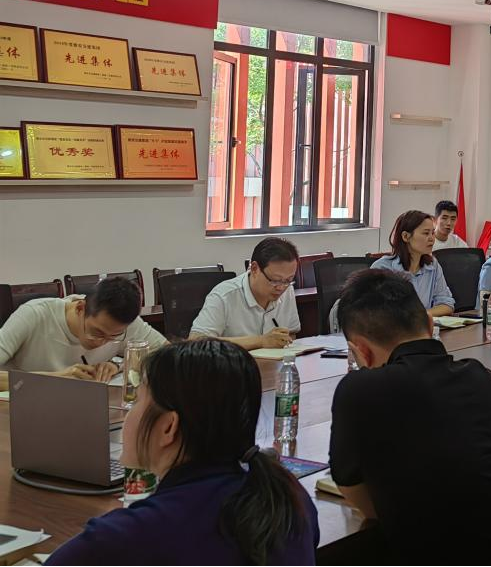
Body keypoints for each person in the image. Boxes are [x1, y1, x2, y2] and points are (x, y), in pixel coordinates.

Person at [329, 270, 491, 565]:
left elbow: (369, 508)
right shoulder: (482, 378)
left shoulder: (358, 391)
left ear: (361, 352)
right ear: (430, 323)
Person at [46, 339, 319, 565]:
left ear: (168, 427)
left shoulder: (123, 538)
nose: (129, 414)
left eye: (137, 400)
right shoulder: (288, 497)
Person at [0, 277, 164, 391]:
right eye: (96, 333)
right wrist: (57, 378)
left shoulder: (123, 322)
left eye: (113, 337)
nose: (101, 343)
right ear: (80, 308)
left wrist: (118, 365)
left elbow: (166, 354)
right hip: (18, 414)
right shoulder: (34, 315)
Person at [190, 238, 300, 351]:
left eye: (288, 280)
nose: (281, 287)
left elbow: (291, 334)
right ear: (254, 269)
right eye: (275, 280)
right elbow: (196, 342)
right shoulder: (224, 295)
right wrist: (261, 341)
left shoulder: (287, 290)